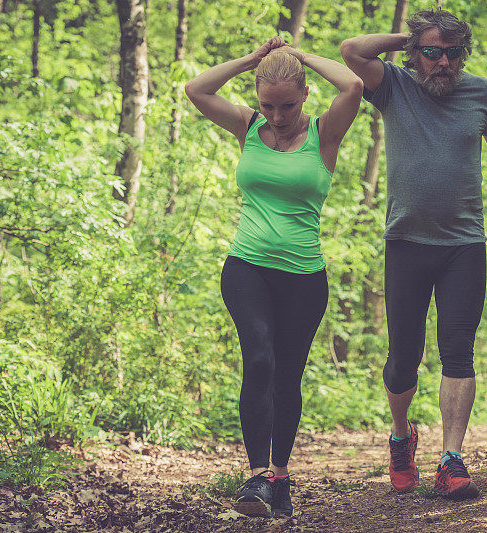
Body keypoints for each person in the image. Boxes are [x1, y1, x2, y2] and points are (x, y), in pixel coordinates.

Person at [341, 9, 487, 499]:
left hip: (464, 245)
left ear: (464, 56)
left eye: (452, 53)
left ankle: (452, 458)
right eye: (432, 53)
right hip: (405, 244)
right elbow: (352, 51)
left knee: (457, 349)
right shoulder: (394, 85)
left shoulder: (482, 93)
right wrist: (411, 38)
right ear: (416, 54)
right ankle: (402, 437)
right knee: (403, 359)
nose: (442, 63)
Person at [184, 37, 363, 517]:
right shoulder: (248, 124)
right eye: (268, 104)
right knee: (259, 357)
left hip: (305, 277)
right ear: (257, 99)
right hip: (247, 266)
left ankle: (280, 479)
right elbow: (196, 90)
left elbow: (353, 83)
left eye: (287, 104)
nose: (278, 116)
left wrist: (302, 57)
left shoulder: (326, 133)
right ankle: (257, 476)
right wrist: (250, 60)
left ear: (305, 94)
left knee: (288, 376)